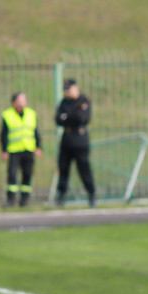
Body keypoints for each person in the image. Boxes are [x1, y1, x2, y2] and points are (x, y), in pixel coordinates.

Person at [55, 78, 96, 207]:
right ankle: (61, 196)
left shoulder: (83, 101)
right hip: (67, 140)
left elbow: (82, 118)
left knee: (84, 169)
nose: (67, 92)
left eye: (69, 89)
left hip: (80, 141)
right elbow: (58, 119)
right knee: (63, 170)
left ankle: (91, 193)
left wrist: (67, 117)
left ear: (75, 88)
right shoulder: (64, 102)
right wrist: (70, 117)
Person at [0, 91, 42, 207]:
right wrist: (4, 150)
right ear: (14, 102)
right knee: (12, 175)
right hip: (14, 150)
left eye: (24, 100)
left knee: (27, 174)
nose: (23, 102)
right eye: (20, 100)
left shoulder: (31, 114)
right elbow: (4, 134)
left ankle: (25, 200)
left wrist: (38, 147)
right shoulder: (7, 115)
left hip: (28, 149)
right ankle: (11, 200)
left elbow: (36, 132)